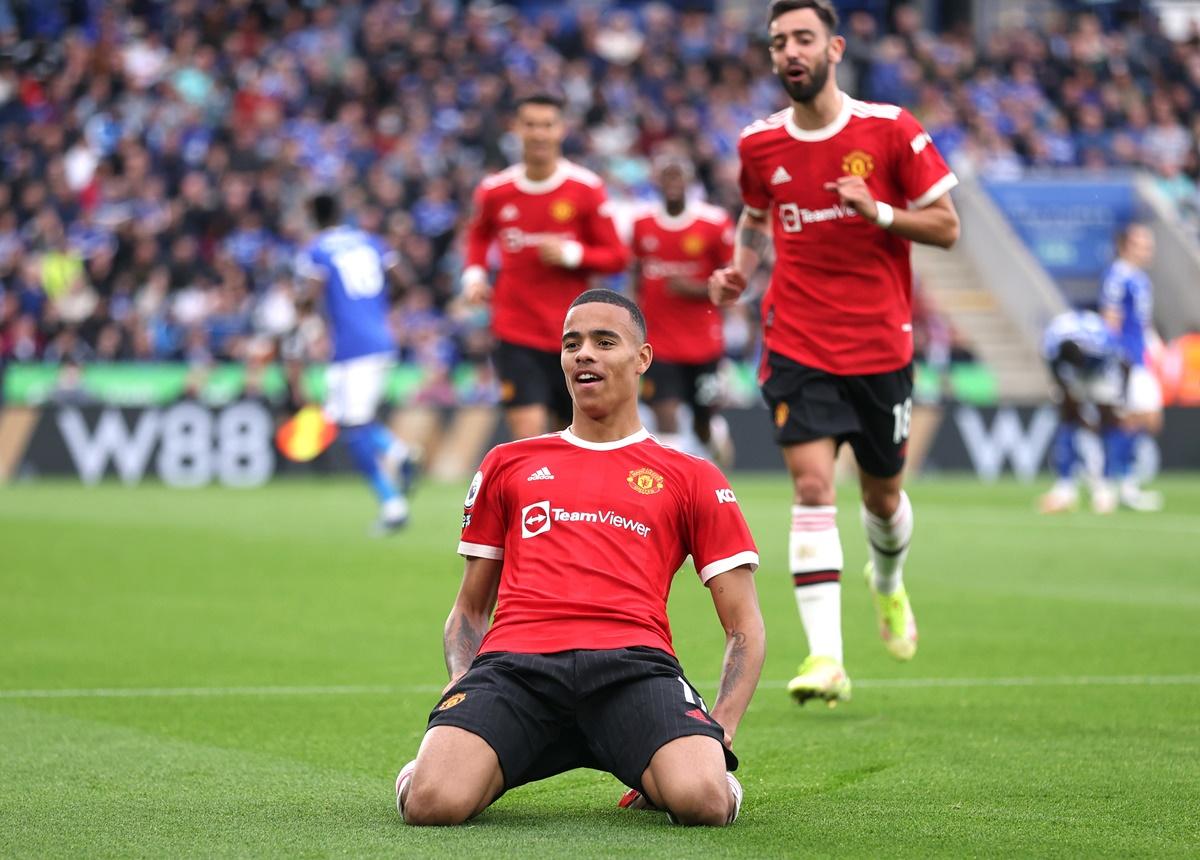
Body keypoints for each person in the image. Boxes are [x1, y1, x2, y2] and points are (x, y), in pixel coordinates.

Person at [395, 289, 764, 827]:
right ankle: (428, 764)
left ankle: (683, 764)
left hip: (633, 670)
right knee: (431, 804)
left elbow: (745, 625)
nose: (583, 353)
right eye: (572, 343)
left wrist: (721, 729)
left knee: (703, 802)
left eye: (603, 341)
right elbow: (470, 609)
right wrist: (460, 679)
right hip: (515, 671)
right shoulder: (508, 463)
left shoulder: (693, 476)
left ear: (642, 359)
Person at [709, 0, 960, 706]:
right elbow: (756, 215)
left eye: (803, 38)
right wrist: (740, 267)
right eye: (778, 41)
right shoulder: (759, 145)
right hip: (797, 340)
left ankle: (886, 584)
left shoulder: (889, 130)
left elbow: (946, 226)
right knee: (813, 487)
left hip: (881, 346)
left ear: (835, 48)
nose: (790, 50)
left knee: (882, 499)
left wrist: (877, 210)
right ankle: (826, 658)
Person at [460, 93, 629, 440]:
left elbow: (617, 257)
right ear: (516, 129)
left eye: (547, 125)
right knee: (528, 434)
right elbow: (477, 237)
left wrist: (574, 255)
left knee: (568, 435)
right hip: (515, 328)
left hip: (573, 335)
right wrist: (475, 275)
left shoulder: (586, 188)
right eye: (531, 125)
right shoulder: (496, 190)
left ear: (561, 130)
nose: (539, 134)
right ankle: (532, 496)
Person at [296, 193, 417, 532]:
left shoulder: (318, 248)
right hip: (378, 341)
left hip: (352, 348)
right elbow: (404, 280)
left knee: (351, 429)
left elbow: (311, 290)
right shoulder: (372, 241)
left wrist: (304, 318)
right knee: (344, 418)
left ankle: (393, 504)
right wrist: (378, 312)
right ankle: (397, 454)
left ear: (312, 216)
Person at [631, 154, 736, 466]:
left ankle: (713, 434)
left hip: (703, 343)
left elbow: (732, 282)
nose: (673, 183)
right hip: (659, 342)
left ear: (690, 180)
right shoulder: (642, 225)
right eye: (667, 175)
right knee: (666, 414)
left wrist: (696, 288)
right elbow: (637, 275)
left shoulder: (713, 223)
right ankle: (672, 486)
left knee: (702, 420)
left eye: (679, 175)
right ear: (657, 181)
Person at [1098, 223, 1164, 511]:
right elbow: (1110, 318)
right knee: (1132, 419)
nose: (1148, 250)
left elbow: (1142, 322)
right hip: (1125, 360)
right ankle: (1113, 484)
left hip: (1140, 358)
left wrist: (1155, 346)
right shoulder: (1117, 276)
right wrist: (1113, 357)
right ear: (1126, 246)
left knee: (1144, 420)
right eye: (1142, 244)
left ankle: (1119, 482)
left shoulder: (1140, 279)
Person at [1038, 310, 1127, 514]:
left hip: (1102, 372)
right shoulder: (1051, 346)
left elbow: (1125, 367)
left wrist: (1122, 400)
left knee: (1109, 424)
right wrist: (1080, 418)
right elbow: (1060, 383)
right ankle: (1065, 488)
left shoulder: (1102, 345)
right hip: (1073, 370)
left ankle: (1105, 487)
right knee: (1067, 420)